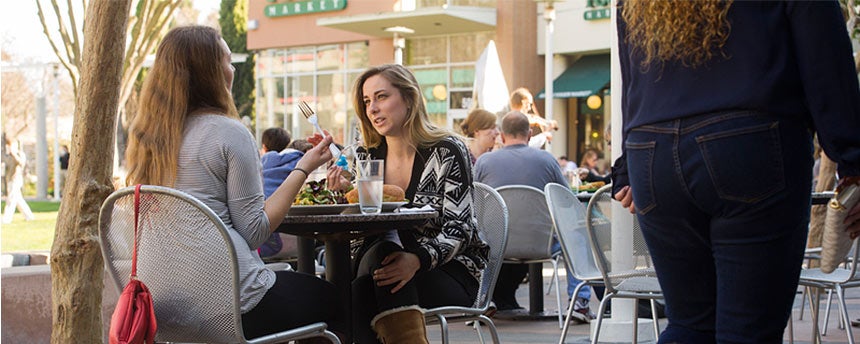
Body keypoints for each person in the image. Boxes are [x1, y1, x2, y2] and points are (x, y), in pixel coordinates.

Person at [613, 1, 860, 343]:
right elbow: (827, 64)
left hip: (653, 151)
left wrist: (627, 167)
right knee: (748, 331)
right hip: (749, 142)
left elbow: (631, 79)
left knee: (690, 324)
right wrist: (853, 161)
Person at [123, 25, 344, 340]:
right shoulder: (228, 132)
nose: (233, 70)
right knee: (337, 298)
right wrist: (303, 168)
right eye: (227, 61)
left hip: (166, 311)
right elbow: (254, 231)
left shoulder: (147, 140)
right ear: (209, 73)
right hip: (233, 307)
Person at [322, 64, 489, 344]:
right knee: (377, 267)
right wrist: (342, 196)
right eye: (366, 101)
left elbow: (461, 227)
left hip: (446, 269)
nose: (372, 109)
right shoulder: (366, 155)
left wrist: (417, 259)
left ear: (409, 99)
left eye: (382, 97)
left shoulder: (446, 150)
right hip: (378, 263)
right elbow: (361, 226)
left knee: (361, 290)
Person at [474, 111, 594, 322]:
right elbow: (566, 201)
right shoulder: (546, 160)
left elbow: (475, 203)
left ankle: (481, 299)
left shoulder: (484, 162)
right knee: (577, 235)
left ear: (502, 136)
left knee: (479, 233)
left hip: (496, 245)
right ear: (529, 134)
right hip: (542, 243)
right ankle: (579, 302)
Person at [259, 127, 302, 261]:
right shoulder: (301, 162)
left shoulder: (260, 165)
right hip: (296, 239)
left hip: (263, 240)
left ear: (264, 147)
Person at [3, 137, 34, 223]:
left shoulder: (20, 154)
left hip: (16, 179)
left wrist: (14, 154)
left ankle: (7, 219)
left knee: (11, 199)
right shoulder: (7, 156)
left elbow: (21, 163)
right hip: (9, 179)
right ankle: (29, 216)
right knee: (18, 199)